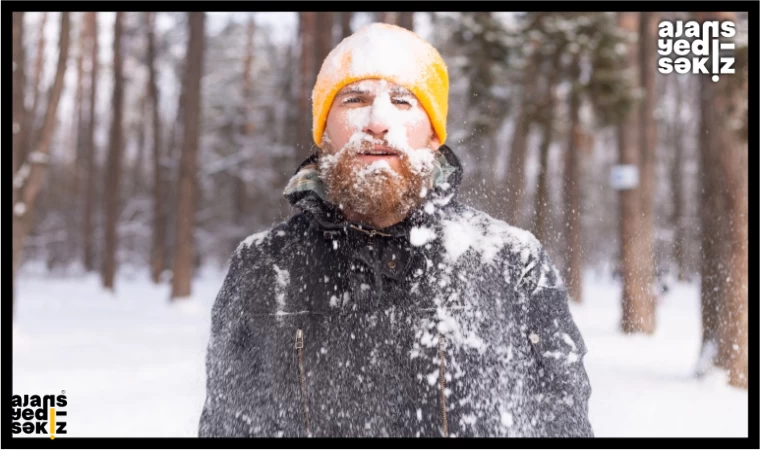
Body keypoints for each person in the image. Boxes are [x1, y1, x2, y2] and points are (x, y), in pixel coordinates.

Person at [198, 22, 593, 438]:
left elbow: (561, 425)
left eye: (403, 102)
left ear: (433, 135)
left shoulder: (512, 262)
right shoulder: (262, 266)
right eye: (354, 99)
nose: (379, 121)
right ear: (325, 131)